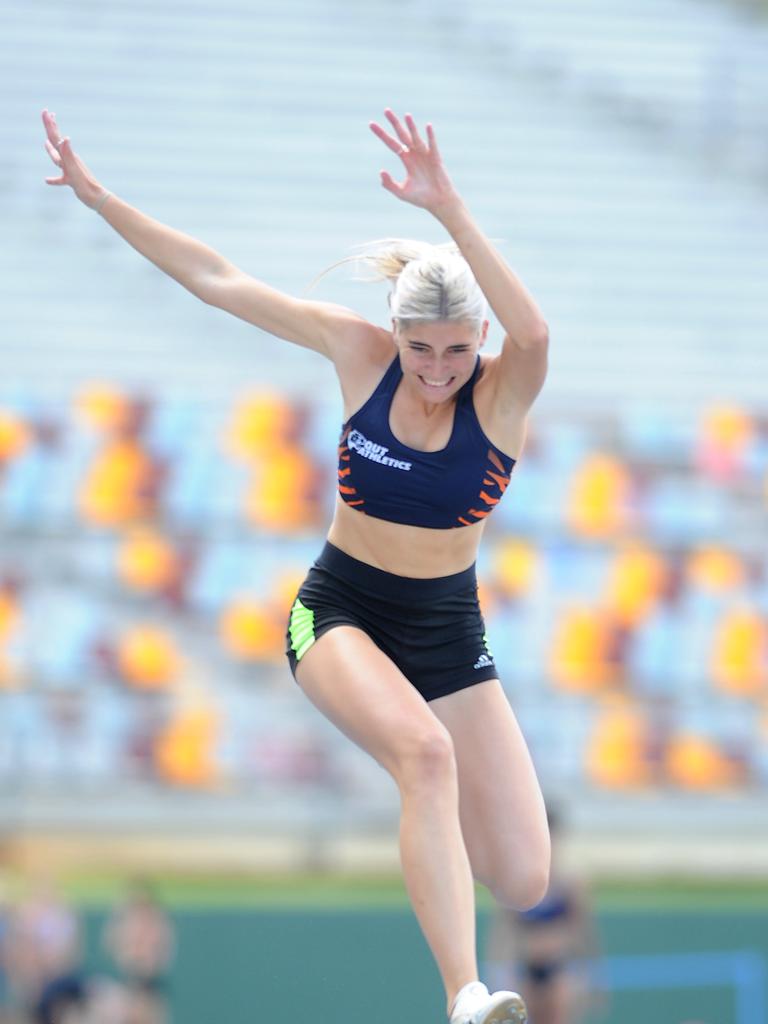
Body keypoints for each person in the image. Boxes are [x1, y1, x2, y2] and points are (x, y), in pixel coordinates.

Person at [41, 105, 551, 1024]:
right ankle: (465, 994)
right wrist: (99, 197)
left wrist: (450, 211)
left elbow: (538, 333)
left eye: (454, 349)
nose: (435, 369)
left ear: (480, 342)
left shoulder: (506, 392)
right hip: (340, 610)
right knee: (425, 758)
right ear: (395, 335)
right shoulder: (361, 356)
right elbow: (216, 278)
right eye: (419, 348)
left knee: (521, 873)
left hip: (446, 628)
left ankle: (447, 886)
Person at [485, 806, 604, 1024]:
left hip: (558, 967)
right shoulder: (515, 882)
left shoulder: (569, 882)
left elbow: (583, 932)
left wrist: (591, 976)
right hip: (526, 967)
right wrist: (499, 974)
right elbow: (504, 933)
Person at [101, 878, 174, 1024]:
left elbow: (163, 949)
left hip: (150, 981)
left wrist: (149, 963)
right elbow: (111, 942)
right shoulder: (125, 920)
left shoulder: (157, 920)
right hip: (128, 979)